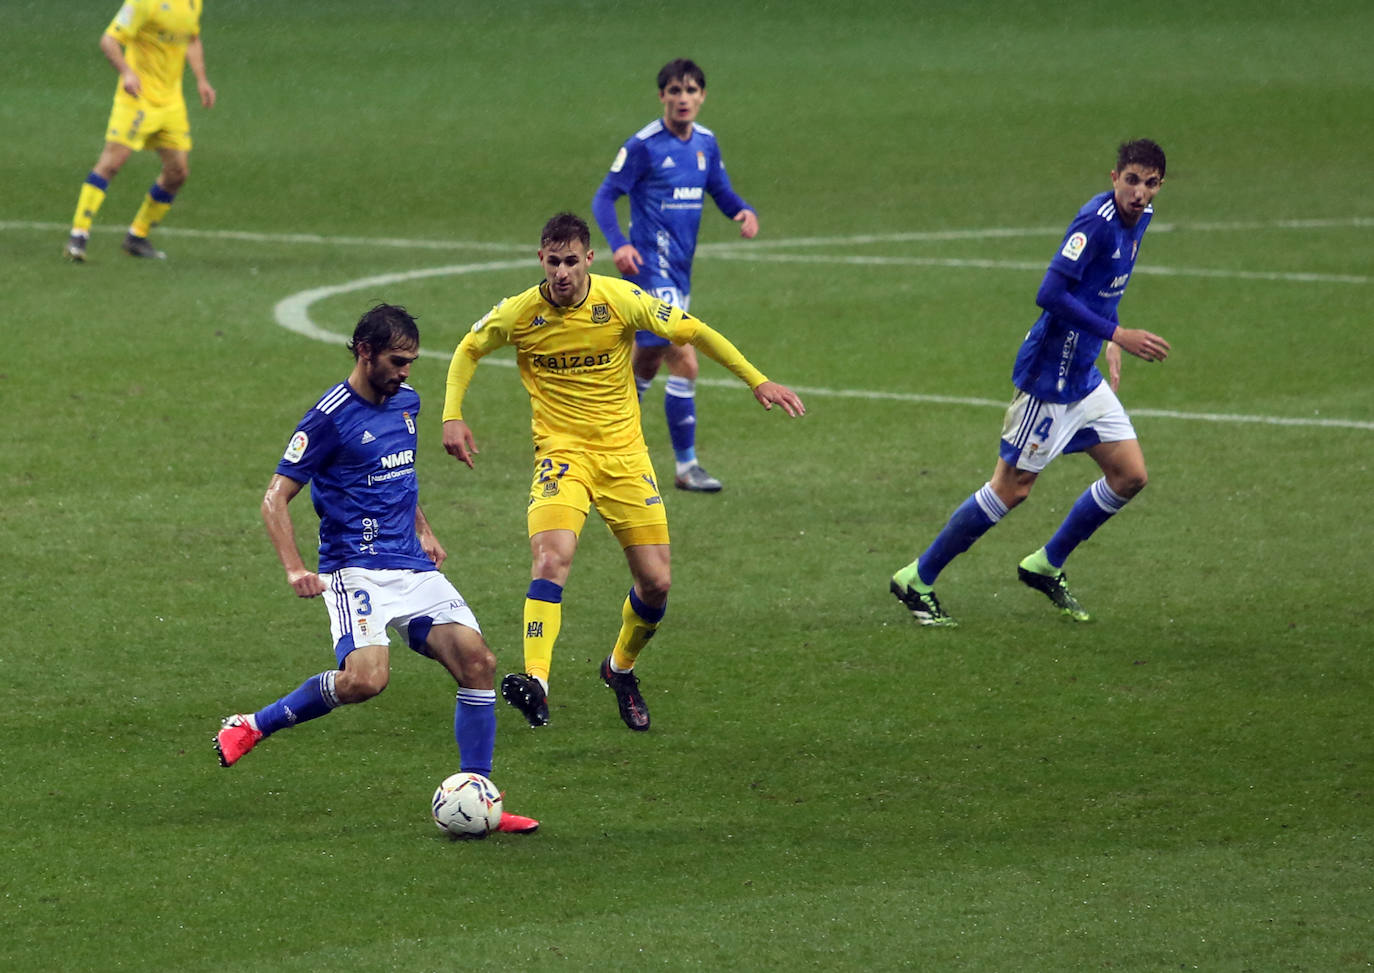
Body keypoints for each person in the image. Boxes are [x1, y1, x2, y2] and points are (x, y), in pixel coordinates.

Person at [442, 213, 804, 732]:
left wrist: (757, 380)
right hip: (561, 456)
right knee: (550, 559)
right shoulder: (521, 313)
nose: (562, 272)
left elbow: (693, 330)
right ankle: (537, 682)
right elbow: (469, 347)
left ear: (590, 259)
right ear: (540, 260)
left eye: (571, 261)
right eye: (553, 261)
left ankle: (619, 669)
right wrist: (452, 413)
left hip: (625, 459)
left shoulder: (621, 300)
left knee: (656, 584)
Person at [214, 304, 538, 835]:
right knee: (366, 681)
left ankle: (478, 795)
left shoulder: (406, 402)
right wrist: (294, 568)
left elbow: (399, 477)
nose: (407, 371)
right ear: (364, 352)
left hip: (409, 565)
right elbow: (275, 498)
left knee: (478, 663)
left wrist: (425, 528)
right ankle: (252, 725)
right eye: (397, 360)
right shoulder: (328, 419)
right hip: (355, 570)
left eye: (411, 361)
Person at [890, 139, 1172, 627]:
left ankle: (1045, 564)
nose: (1139, 193)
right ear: (1114, 178)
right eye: (1131, 180)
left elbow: (1106, 287)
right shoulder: (1095, 224)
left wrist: (1110, 338)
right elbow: (1049, 292)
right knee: (1011, 489)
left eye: (1149, 184)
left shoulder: (1141, 221)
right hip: (1049, 377)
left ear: (1159, 186)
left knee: (1130, 475)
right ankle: (917, 578)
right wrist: (1118, 332)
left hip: (1084, 376)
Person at [591, 58, 759, 493]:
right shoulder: (644, 145)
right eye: (674, 91)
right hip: (649, 267)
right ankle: (685, 466)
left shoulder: (706, 143)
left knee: (645, 363)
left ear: (702, 96)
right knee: (683, 356)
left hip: (680, 269)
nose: (683, 98)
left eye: (691, 91)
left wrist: (741, 210)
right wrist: (620, 243)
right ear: (662, 96)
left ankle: (605, 435)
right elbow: (605, 197)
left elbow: (718, 188)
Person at [64, 0, 217, 262]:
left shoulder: (193, 3)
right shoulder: (145, 2)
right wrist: (126, 72)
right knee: (111, 164)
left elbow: (191, 39)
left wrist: (201, 79)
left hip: (171, 103)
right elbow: (109, 40)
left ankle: (137, 236)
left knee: (177, 173)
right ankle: (78, 235)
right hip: (138, 100)